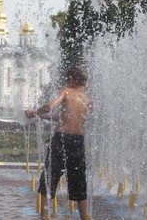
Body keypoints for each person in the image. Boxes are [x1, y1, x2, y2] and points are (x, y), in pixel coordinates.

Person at [25, 66, 93, 220]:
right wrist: (42, 117)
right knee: (79, 180)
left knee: (49, 176)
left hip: (62, 139)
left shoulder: (66, 91)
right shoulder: (89, 100)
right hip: (78, 142)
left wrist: (35, 112)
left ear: (72, 79)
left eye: (68, 78)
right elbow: (65, 118)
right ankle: (85, 217)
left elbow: (50, 106)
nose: (66, 81)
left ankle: (45, 216)